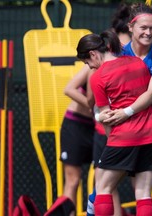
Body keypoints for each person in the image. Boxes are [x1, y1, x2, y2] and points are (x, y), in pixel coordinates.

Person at [99, 3, 152, 216]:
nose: (149, 32)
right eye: (143, 27)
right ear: (131, 27)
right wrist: (104, 113)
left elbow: (151, 95)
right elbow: (107, 89)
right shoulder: (118, 55)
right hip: (133, 131)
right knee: (102, 186)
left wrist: (124, 112)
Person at [77, 29, 152, 216]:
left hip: (123, 138)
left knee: (102, 188)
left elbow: (106, 117)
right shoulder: (137, 63)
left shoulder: (98, 77)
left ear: (93, 54)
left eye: (88, 63)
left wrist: (111, 142)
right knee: (143, 194)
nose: (90, 67)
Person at [86, 3, 132, 216]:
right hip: (114, 131)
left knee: (105, 185)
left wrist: (127, 111)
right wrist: (96, 111)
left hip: (126, 131)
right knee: (107, 184)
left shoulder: (132, 58)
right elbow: (87, 95)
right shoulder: (101, 62)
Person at [44, 65, 95, 216]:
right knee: (73, 181)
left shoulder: (126, 63)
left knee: (103, 181)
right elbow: (69, 89)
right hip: (76, 125)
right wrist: (94, 107)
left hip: (100, 127)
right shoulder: (94, 64)